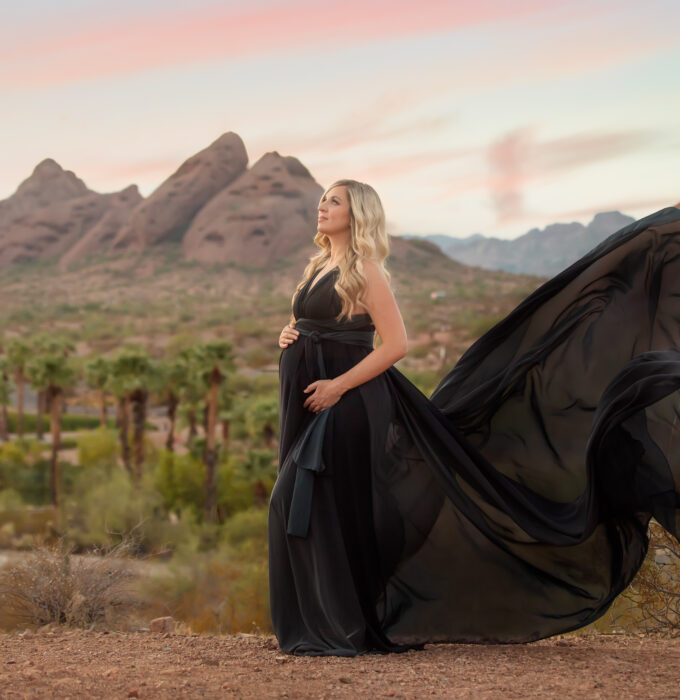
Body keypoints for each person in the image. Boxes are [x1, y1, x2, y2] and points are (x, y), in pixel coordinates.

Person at [268, 179, 680, 656]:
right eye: (323, 199)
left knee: (296, 500)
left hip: (350, 401)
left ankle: (339, 626)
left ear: (357, 212)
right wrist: (289, 333)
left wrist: (339, 386)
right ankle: (331, 624)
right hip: (312, 397)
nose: (322, 206)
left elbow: (396, 344)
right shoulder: (321, 264)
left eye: (334, 200)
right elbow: (315, 323)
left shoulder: (365, 269)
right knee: (321, 506)